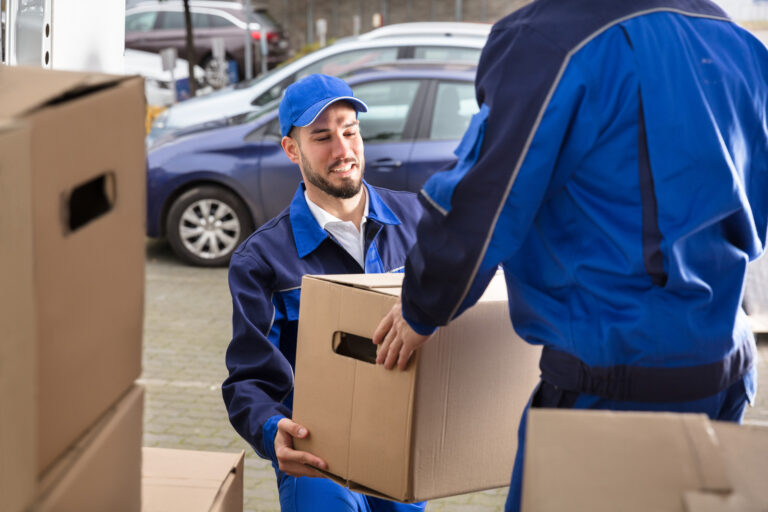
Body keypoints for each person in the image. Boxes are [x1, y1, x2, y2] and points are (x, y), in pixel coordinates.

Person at [372, 1, 768, 511]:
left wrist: (422, 309)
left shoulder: (551, 37)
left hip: (618, 383)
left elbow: (482, 203)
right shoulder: (727, 34)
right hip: (724, 365)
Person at [222, 74, 426, 512]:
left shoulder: (417, 223)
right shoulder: (262, 260)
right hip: (316, 454)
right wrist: (269, 427)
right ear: (291, 149)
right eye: (322, 137)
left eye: (350, 131)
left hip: (402, 441)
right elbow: (248, 378)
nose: (343, 150)